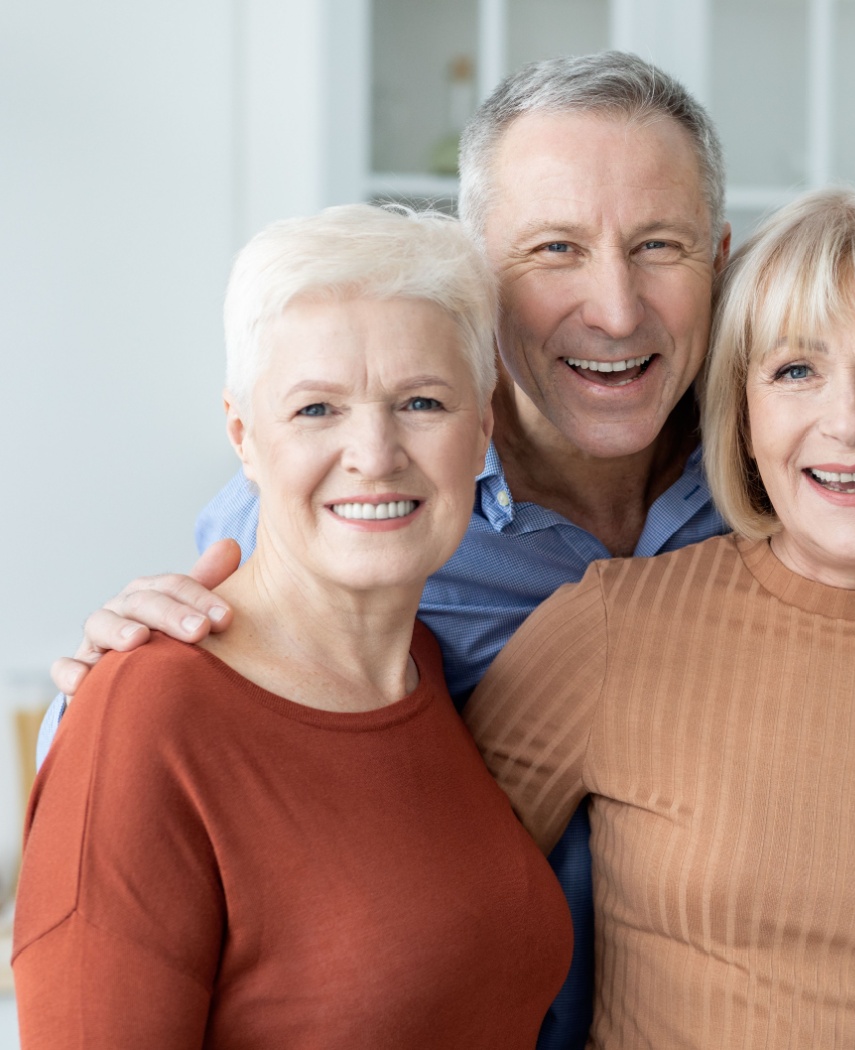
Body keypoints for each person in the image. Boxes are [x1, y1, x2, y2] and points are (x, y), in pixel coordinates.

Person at [38, 52, 731, 1050]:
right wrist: (94, 694)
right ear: (481, 276)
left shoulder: (783, 488)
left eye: (658, 246)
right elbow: (152, 763)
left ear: (718, 258)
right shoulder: (349, 513)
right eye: (555, 250)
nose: (615, 309)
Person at [464, 188, 855, 1048]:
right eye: (796, 371)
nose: (848, 421)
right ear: (745, 412)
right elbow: (429, 920)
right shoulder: (614, 627)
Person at [13, 205, 573, 1047]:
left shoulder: (430, 668)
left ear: (484, 426)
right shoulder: (148, 715)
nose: (375, 452)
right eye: (317, 410)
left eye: (421, 401)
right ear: (244, 436)